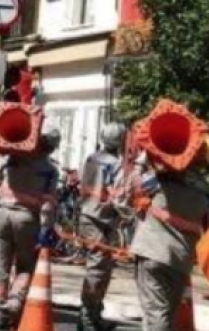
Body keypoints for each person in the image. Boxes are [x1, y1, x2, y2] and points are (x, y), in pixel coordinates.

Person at [128, 137, 209, 331]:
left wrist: (141, 162)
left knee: (156, 313)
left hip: (152, 250)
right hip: (180, 258)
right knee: (167, 312)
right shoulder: (206, 191)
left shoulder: (159, 182)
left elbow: (132, 187)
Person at [0, 127, 61, 329]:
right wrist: (46, 229)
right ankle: (12, 305)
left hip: (2, 214)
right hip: (27, 219)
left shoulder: (12, 158)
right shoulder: (50, 170)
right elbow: (47, 205)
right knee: (26, 266)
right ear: (52, 148)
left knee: (0, 265)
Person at [78, 122, 127, 331]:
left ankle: (94, 315)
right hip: (101, 219)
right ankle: (88, 319)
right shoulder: (117, 165)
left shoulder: (91, 158)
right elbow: (119, 197)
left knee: (102, 270)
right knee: (98, 271)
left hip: (90, 217)